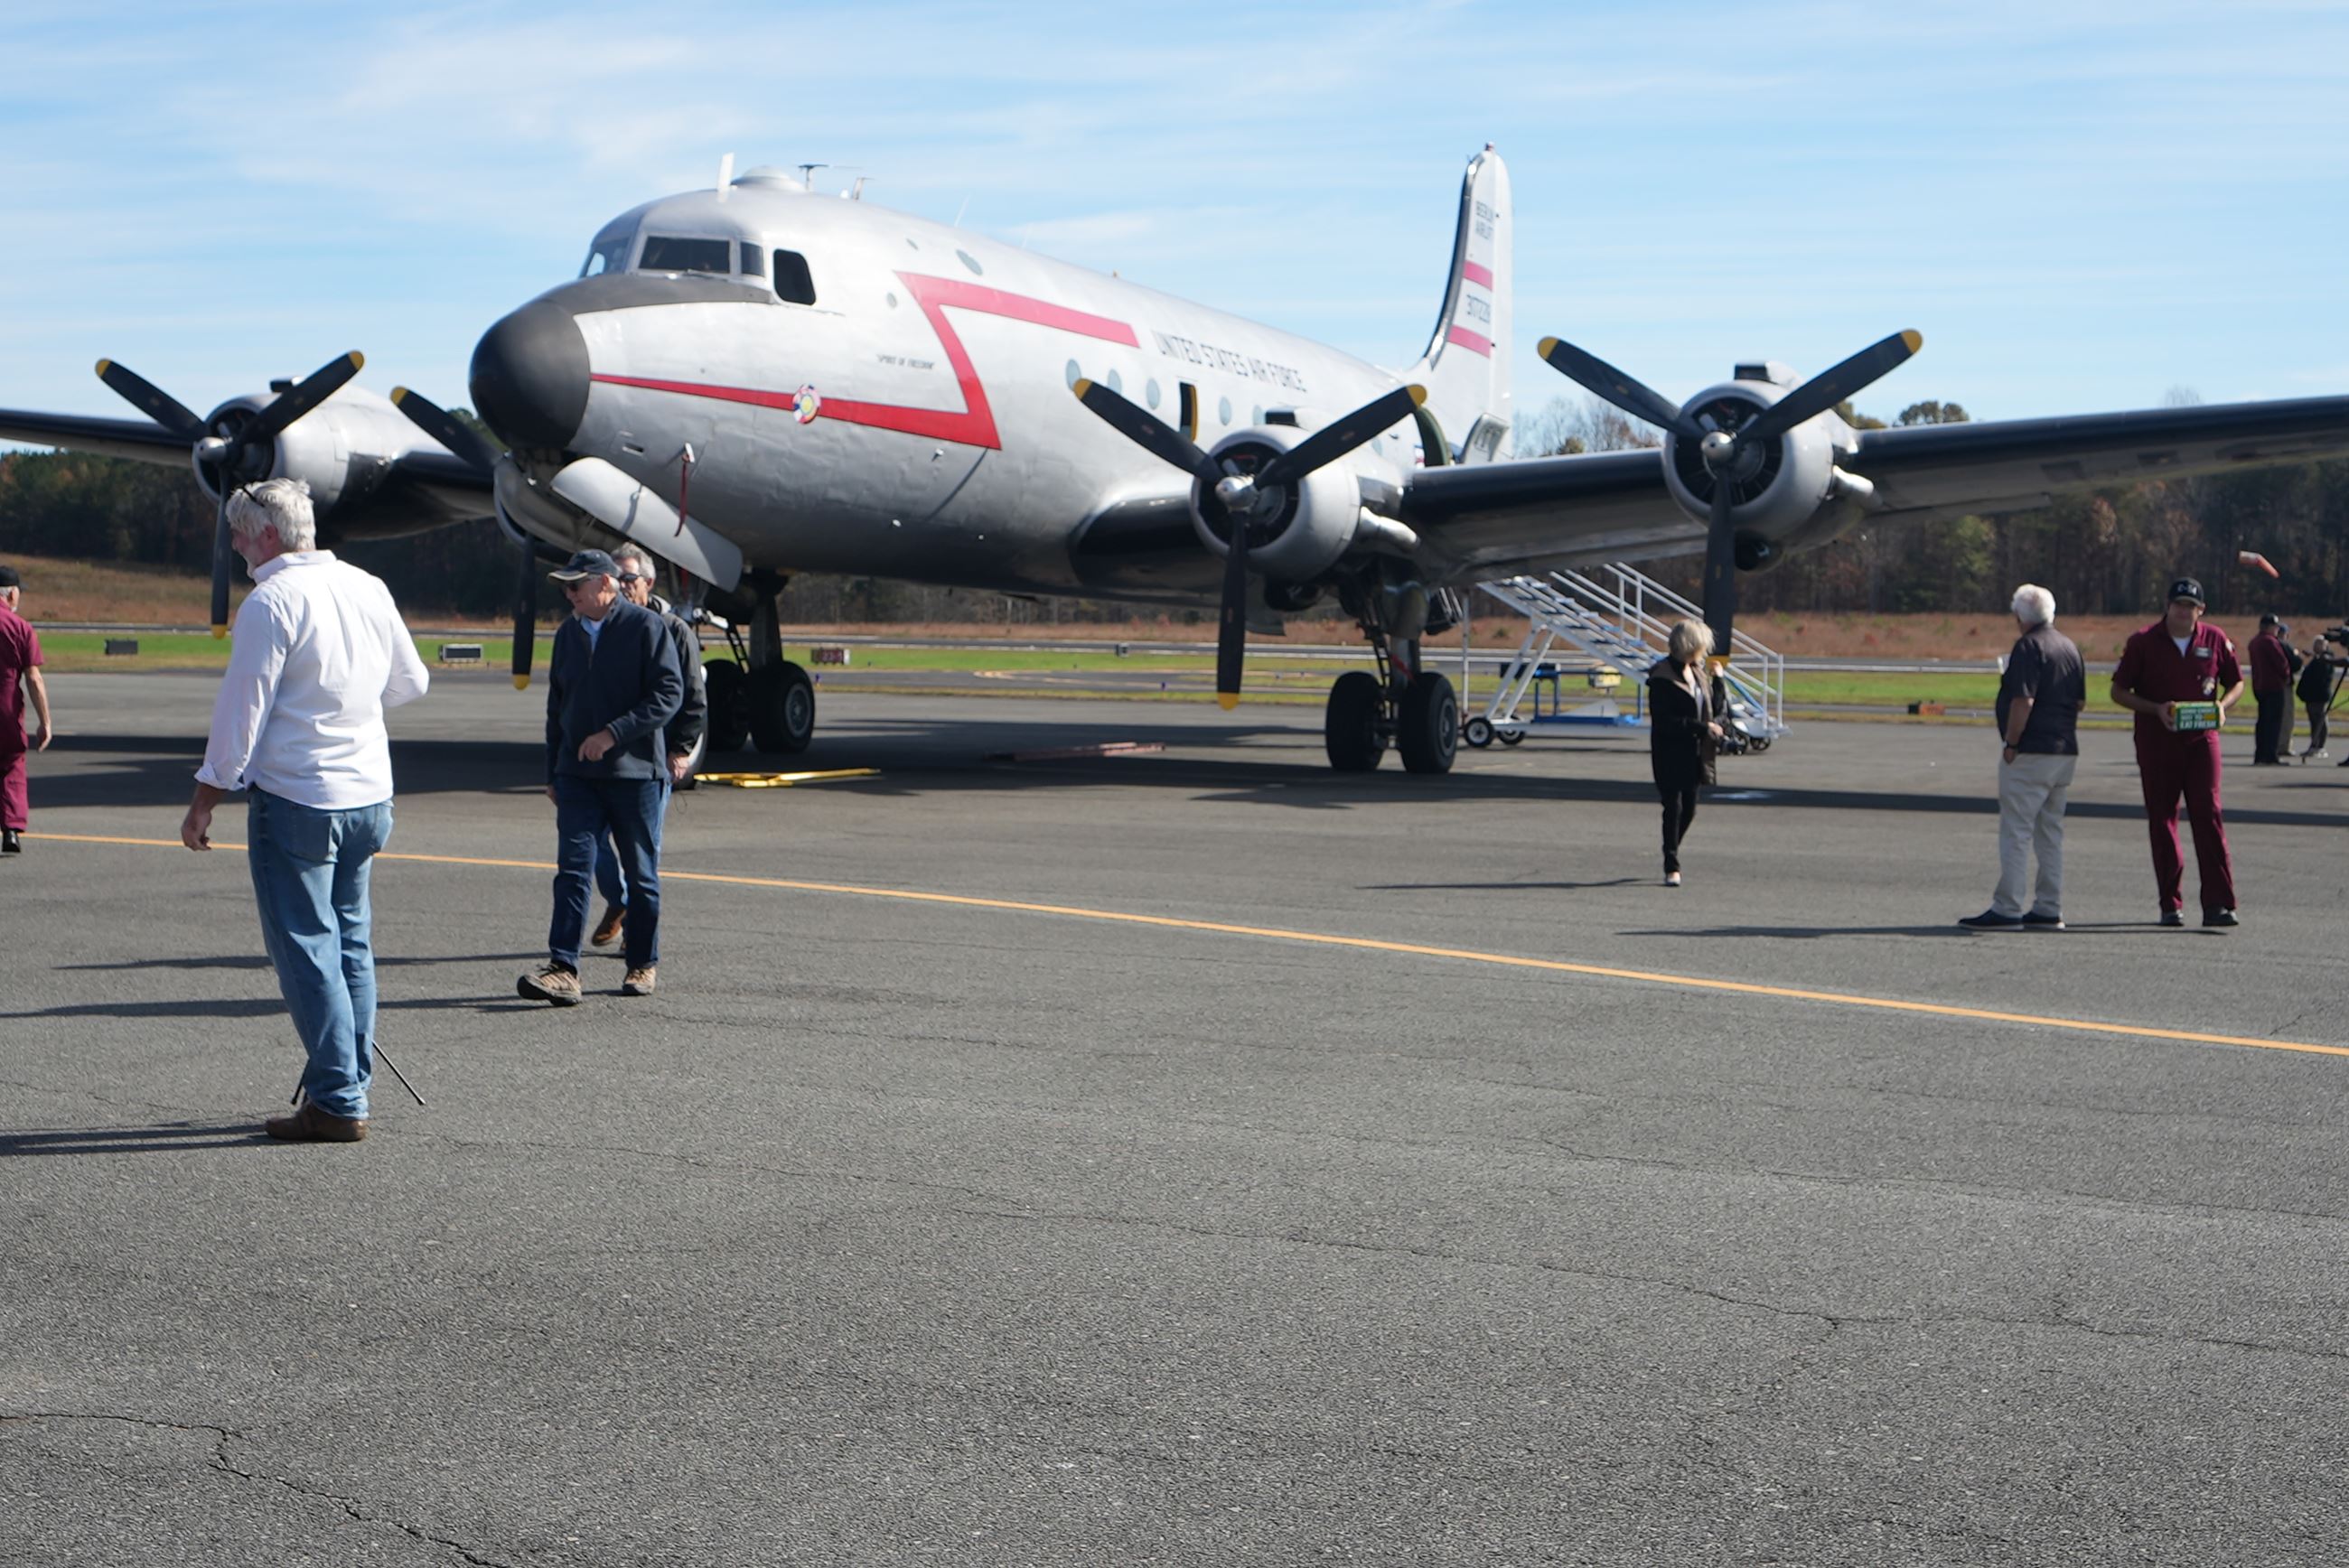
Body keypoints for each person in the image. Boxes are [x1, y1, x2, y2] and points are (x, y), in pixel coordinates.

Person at [180, 480, 431, 1142]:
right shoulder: (367, 585)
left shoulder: (272, 600)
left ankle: (338, 1099)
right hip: (369, 796)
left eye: (239, 534)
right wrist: (349, 707)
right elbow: (412, 682)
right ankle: (349, 1085)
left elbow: (242, 714)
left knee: (307, 950)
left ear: (267, 535)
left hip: (299, 800)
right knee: (350, 943)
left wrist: (205, 798)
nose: (236, 547)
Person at [519, 548, 683, 1004]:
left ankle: (642, 962)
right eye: (565, 587)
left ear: (605, 583)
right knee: (572, 871)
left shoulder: (646, 627)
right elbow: (557, 707)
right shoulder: (568, 634)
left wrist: (613, 734)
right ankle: (563, 968)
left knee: (641, 875)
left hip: (636, 775)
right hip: (577, 776)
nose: (569, 594)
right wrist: (553, 771)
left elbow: (669, 694)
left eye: (576, 585)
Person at [587, 545, 706, 949]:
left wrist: (681, 750)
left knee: (642, 853)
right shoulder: (600, 626)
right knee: (592, 840)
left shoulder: (674, 630)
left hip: (653, 760)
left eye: (629, 578)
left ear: (649, 582)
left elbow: (693, 697)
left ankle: (638, 936)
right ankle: (619, 900)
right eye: (614, 578)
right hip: (605, 757)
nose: (621, 585)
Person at [2110, 577, 2243, 929]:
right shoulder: (2143, 642)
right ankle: (2170, 903)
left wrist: (2223, 706)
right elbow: (2118, 691)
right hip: (2158, 741)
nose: (2184, 611)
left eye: (2191, 606)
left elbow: (2237, 681)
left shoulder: (2215, 639)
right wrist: (2155, 708)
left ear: (2201, 610)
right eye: (2179, 604)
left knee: (2208, 815)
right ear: (2167, 606)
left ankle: (2219, 903)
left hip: (2201, 740)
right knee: (2163, 820)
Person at [1961, 584, 2086, 929]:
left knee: (2016, 831)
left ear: (2020, 616)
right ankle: (2049, 905)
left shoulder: (2029, 646)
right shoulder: (2069, 647)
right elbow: (2079, 702)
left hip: (2032, 751)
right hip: (2064, 750)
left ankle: (2008, 907)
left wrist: (2012, 743)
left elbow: (2023, 700)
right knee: (2050, 833)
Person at [1646, 619, 1722, 887]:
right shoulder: (1661, 678)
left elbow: (1715, 709)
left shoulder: (1698, 673)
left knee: (1689, 809)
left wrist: (1719, 680)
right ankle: (1672, 864)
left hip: (1695, 752)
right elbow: (1664, 721)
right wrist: (1702, 728)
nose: (1705, 649)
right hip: (1669, 751)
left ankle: (1670, 847)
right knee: (1673, 806)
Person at [0, 565, 52, 854]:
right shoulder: (21, 628)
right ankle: (11, 829)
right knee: (12, 765)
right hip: (6, 710)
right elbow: (34, 678)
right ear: (11, 594)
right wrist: (45, 721)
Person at [2247, 612, 2299, 765]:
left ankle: (2260, 754)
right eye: (2275, 627)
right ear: (2270, 627)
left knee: (2263, 721)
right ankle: (2271, 755)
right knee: (2274, 722)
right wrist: (2286, 676)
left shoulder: (2254, 642)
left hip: (2259, 685)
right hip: (2274, 686)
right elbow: (2281, 663)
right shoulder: (2270, 642)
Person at [2299, 633, 2343, 760]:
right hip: (2311, 696)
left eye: (2320, 644)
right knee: (2313, 721)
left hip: (2319, 695)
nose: (2316, 646)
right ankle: (2314, 744)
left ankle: (2320, 746)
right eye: (2315, 644)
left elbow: (2323, 675)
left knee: (2320, 721)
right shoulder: (2317, 659)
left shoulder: (2328, 659)